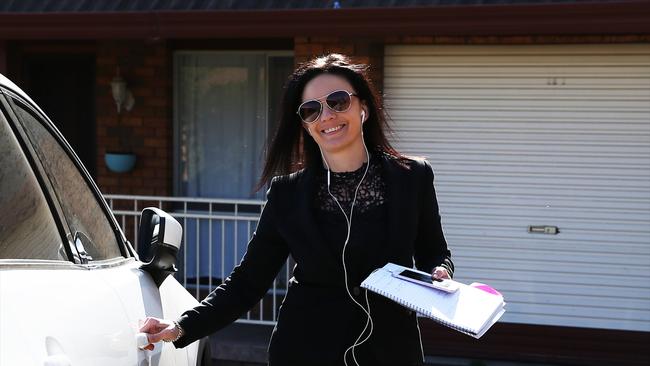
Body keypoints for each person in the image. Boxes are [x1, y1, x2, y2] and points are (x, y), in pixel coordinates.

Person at [140, 53, 454, 366]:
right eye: (311, 110)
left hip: (391, 351)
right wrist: (181, 327)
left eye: (338, 101)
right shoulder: (286, 194)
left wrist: (440, 271)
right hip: (305, 350)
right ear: (304, 125)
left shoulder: (412, 177)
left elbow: (434, 251)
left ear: (364, 109)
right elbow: (247, 282)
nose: (326, 116)